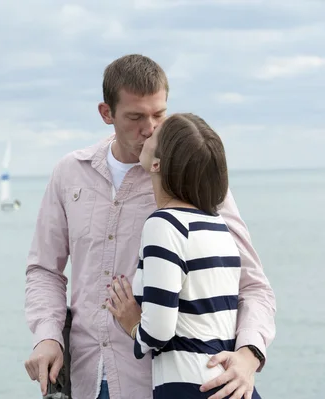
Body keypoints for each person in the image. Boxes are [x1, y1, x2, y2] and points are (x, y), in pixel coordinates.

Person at [23, 54, 276, 399]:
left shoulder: (194, 179)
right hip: (86, 377)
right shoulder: (69, 173)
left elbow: (252, 284)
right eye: (135, 117)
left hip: (162, 384)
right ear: (106, 113)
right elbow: (44, 270)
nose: (150, 128)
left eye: (159, 114)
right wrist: (48, 336)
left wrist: (249, 355)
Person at [106, 113, 261, 399]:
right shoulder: (217, 225)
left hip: (191, 386)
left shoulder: (164, 224)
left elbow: (159, 331)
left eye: (154, 135)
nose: (148, 131)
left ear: (157, 164)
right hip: (228, 384)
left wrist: (133, 325)